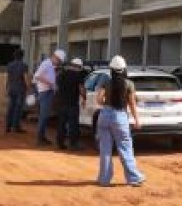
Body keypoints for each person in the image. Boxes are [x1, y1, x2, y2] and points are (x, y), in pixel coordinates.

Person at [95, 55, 145, 187]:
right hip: (120, 116)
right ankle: (133, 178)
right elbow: (132, 104)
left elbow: (99, 100)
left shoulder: (106, 82)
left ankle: (104, 179)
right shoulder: (129, 84)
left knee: (105, 149)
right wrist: (137, 120)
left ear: (111, 69)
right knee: (125, 147)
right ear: (124, 69)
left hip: (104, 115)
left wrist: (106, 104)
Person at [32, 48, 66, 146]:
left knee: (45, 116)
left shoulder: (50, 65)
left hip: (48, 92)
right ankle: (40, 138)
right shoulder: (46, 64)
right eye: (59, 61)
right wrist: (51, 84)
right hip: (45, 92)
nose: (59, 63)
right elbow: (37, 76)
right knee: (44, 116)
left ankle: (42, 137)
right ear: (55, 57)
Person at [55, 57, 85, 150]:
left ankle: (60, 143)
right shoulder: (78, 76)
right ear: (79, 67)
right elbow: (81, 89)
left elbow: (57, 87)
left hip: (61, 103)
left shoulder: (62, 74)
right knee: (73, 124)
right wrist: (84, 97)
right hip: (72, 104)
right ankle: (73, 144)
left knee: (61, 123)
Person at [4, 49, 30, 133]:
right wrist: (28, 87)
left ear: (14, 56)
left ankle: (8, 126)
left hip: (11, 88)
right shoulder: (24, 66)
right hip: (20, 89)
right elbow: (25, 78)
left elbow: (6, 78)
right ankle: (16, 127)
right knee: (18, 108)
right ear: (22, 56)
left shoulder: (9, 65)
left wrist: (6, 88)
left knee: (10, 107)